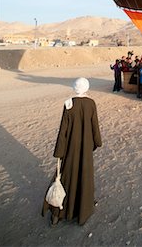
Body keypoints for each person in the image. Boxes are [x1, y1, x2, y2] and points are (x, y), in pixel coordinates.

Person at [42, 78, 102, 226]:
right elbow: (94, 124)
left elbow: (63, 129)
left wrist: (59, 151)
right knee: (84, 174)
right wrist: (97, 142)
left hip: (70, 146)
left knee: (66, 175)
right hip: (86, 145)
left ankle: (57, 213)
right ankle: (84, 207)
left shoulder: (68, 104)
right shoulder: (91, 103)